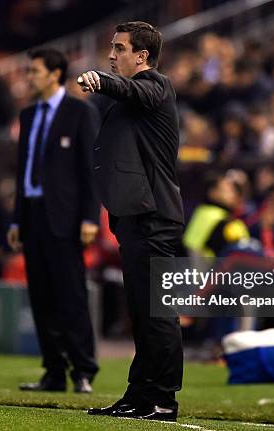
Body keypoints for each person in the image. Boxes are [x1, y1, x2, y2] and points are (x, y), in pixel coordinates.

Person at [79, 21, 184, 422]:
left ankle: (163, 400)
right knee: (141, 312)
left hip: (153, 215)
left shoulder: (157, 86)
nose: (111, 55)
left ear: (141, 56)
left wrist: (102, 82)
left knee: (158, 312)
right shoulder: (132, 99)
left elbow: (130, 88)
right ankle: (139, 395)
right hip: (136, 217)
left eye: (119, 48)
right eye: (111, 48)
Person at [7, 48, 100, 394]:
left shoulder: (80, 112)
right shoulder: (29, 115)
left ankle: (83, 369)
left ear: (55, 74)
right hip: (32, 214)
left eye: (35, 71)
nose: (29, 77)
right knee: (41, 296)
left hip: (66, 217)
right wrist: (16, 219)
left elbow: (90, 170)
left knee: (71, 295)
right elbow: (23, 169)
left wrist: (90, 216)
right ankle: (54, 371)